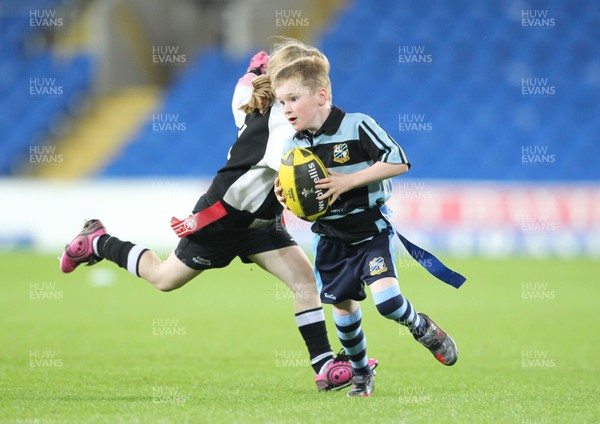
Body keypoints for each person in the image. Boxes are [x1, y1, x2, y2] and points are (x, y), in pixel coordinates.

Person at [59, 43, 377, 392]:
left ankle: (324, 366)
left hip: (260, 223)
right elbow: (288, 180)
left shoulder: (254, 101)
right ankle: (98, 241)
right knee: (164, 278)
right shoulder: (284, 128)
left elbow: (243, 90)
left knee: (304, 278)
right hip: (223, 216)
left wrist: (253, 73)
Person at [272, 55, 458, 397]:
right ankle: (361, 374)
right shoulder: (292, 146)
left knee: (387, 303)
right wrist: (285, 196)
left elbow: (398, 160)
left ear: (322, 96)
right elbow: (291, 193)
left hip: (371, 232)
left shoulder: (357, 126)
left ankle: (423, 328)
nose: (286, 108)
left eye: (294, 99)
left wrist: (348, 182)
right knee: (343, 308)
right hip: (330, 239)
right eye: (282, 101)